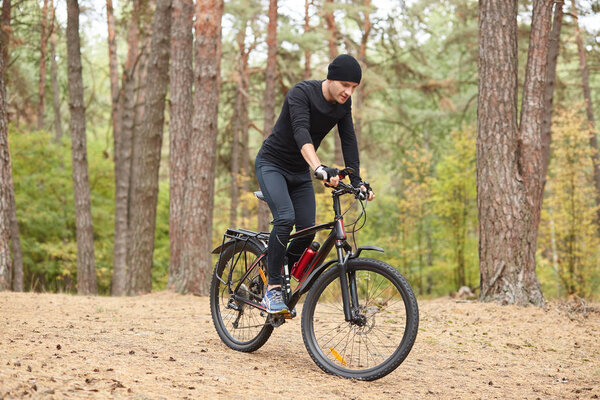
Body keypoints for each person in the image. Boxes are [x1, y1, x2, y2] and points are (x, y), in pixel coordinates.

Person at [254, 54, 375, 314]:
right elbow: (301, 131)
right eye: (344, 84)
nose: (348, 91)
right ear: (330, 78)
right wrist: (318, 167)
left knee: (308, 231)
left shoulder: (344, 104)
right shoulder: (302, 93)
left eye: (354, 87)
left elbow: (349, 140)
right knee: (285, 218)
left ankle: (274, 267)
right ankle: (272, 288)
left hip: (298, 172)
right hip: (272, 164)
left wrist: (357, 181)